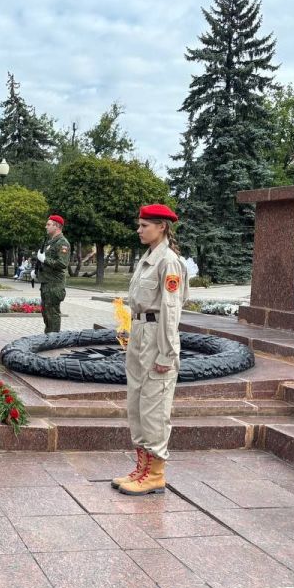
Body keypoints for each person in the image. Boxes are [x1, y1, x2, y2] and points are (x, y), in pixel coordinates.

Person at [112, 204, 188, 496]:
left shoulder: (169, 262)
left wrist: (167, 353)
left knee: (155, 407)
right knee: (138, 403)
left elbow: (171, 311)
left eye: (145, 225)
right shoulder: (148, 258)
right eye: (140, 224)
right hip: (142, 332)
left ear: (162, 227)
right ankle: (142, 467)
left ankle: (155, 474)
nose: (139, 229)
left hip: (158, 336)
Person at [37, 215, 71, 333]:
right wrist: (36, 272)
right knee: (46, 313)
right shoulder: (51, 242)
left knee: (53, 315)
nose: (46, 227)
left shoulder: (62, 243)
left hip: (55, 286)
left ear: (56, 226)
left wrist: (44, 260)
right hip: (47, 283)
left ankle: (54, 339)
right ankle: (48, 338)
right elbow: (48, 265)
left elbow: (62, 263)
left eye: (48, 224)